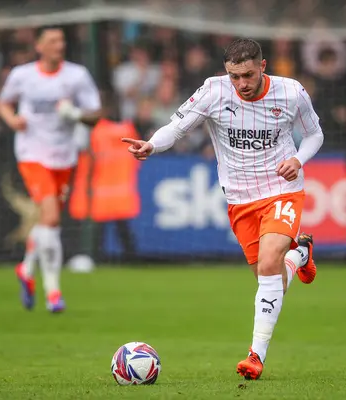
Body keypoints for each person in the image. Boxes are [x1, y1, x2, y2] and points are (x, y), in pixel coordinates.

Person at [122, 38, 324, 380]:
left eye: (247, 75)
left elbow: (315, 135)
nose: (241, 84)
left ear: (262, 66)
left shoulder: (291, 93)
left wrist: (297, 159)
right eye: (234, 77)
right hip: (240, 199)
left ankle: (255, 357)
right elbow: (179, 126)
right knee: (269, 280)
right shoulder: (214, 92)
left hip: (282, 190)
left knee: (270, 263)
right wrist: (152, 145)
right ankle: (300, 255)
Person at [0, 26, 102, 313]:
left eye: (62, 40)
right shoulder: (22, 75)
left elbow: (95, 114)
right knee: (52, 217)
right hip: (32, 154)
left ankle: (26, 269)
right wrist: (12, 120)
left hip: (63, 157)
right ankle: (53, 292)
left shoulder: (77, 75)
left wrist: (76, 114)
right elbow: (4, 103)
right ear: (39, 46)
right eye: (53, 41)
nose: (60, 45)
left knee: (46, 221)